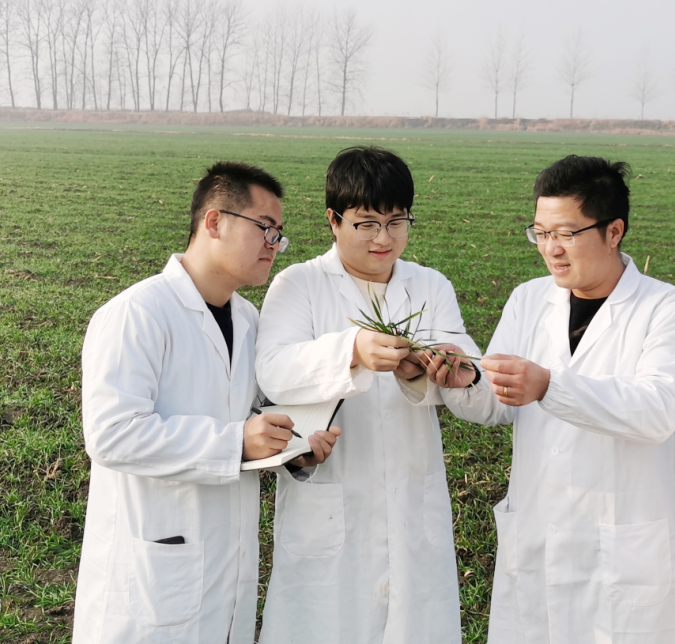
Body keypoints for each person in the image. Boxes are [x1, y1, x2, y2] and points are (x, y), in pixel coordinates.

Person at [422, 155, 675, 644]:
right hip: (538, 537)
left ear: (613, 231)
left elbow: (656, 411)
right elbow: (497, 404)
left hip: (620, 551)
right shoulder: (529, 300)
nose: (550, 249)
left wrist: (549, 386)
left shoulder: (669, 310)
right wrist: (465, 380)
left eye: (566, 234)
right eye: (540, 233)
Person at [73, 162, 340, 643]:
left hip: (225, 571)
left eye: (279, 234)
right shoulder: (136, 314)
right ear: (214, 222)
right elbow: (112, 435)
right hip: (150, 577)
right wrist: (235, 442)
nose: (274, 245)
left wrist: (291, 448)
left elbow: (252, 415)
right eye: (265, 228)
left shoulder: (250, 320)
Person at [254, 145, 481, 643]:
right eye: (367, 224)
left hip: (412, 504)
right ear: (333, 221)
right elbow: (273, 371)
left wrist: (448, 371)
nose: (384, 238)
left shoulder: (430, 286)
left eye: (397, 222)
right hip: (332, 500)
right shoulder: (299, 285)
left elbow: (475, 387)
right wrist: (351, 350)